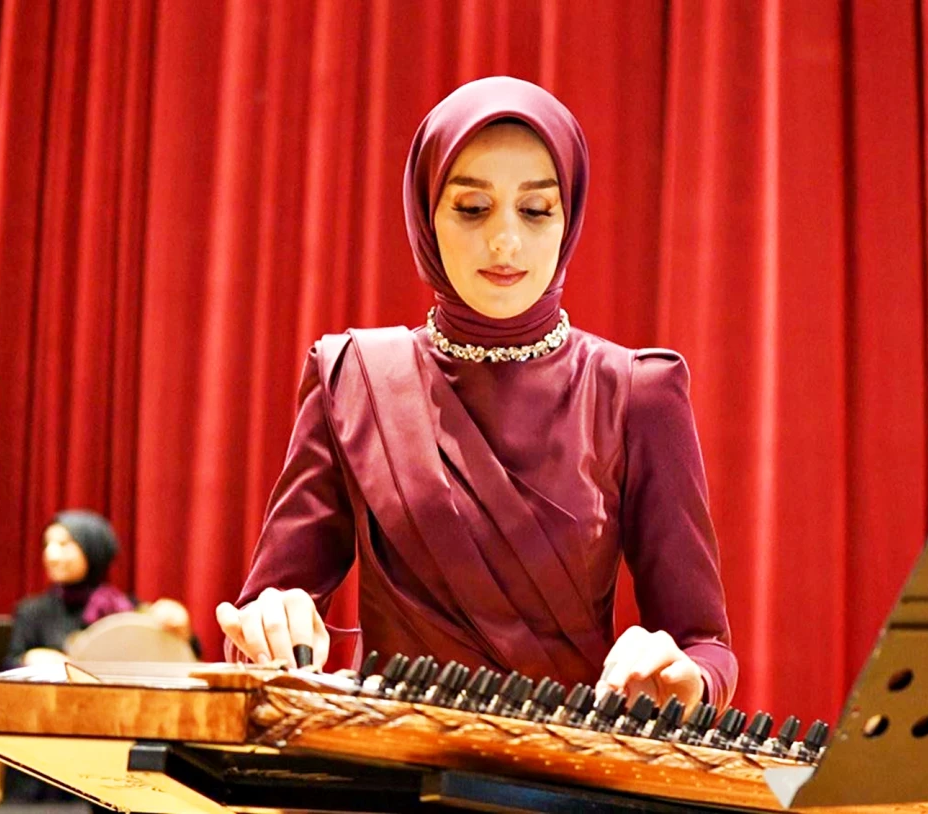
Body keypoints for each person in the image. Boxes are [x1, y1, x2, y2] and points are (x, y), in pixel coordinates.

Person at [217, 76, 736, 710]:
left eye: (536, 210)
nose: (505, 241)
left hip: (565, 761)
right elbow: (257, 625)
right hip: (387, 759)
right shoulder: (353, 378)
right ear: (425, 213)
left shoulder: (637, 392)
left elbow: (704, 645)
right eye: (471, 208)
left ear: (568, 217)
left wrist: (689, 677)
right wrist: (270, 622)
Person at [6, 509, 194, 668]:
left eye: (64, 544)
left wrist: (180, 629)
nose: (51, 555)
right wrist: (27, 659)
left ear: (92, 549)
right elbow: (7, 666)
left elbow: (185, 657)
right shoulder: (32, 612)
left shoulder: (127, 608)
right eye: (47, 544)